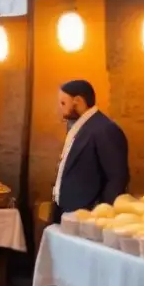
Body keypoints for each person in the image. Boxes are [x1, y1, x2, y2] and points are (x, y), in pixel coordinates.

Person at [52, 79, 129, 220]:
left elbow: (116, 177)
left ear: (78, 101)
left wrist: (102, 215)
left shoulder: (105, 129)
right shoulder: (78, 126)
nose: (60, 108)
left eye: (63, 103)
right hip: (65, 209)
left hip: (87, 214)